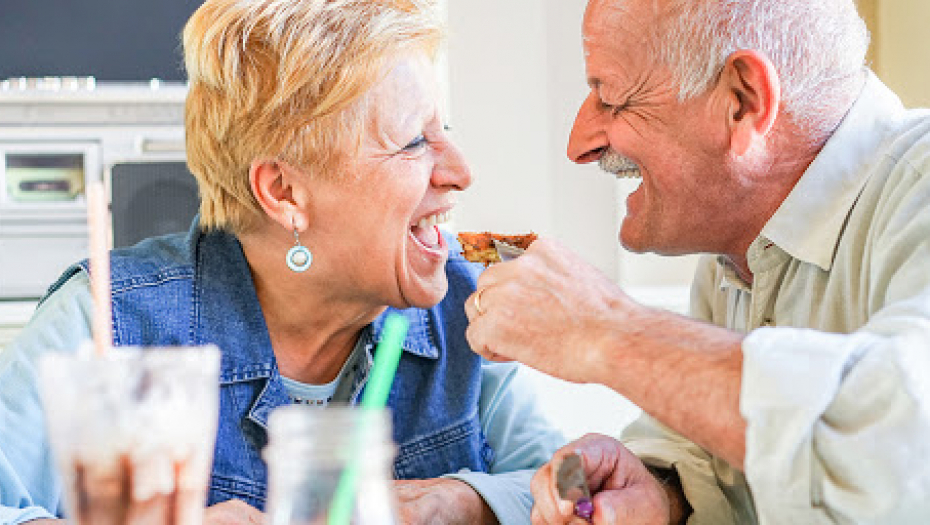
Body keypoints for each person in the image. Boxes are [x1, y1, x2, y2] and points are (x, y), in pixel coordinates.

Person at [0, 0, 564, 524]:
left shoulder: (470, 312)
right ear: (285, 192)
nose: (460, 171)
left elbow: (568, 492)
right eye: (415, 142)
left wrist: (452, 502)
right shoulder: (103, 321)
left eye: (446, 132)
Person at [464, 0, 930, 523]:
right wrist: (662, 493)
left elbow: (906, 446)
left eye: (611, 98)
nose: (579, 145)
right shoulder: (736, 243)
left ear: (742, 102)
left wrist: (603, 328)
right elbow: (713, 461)